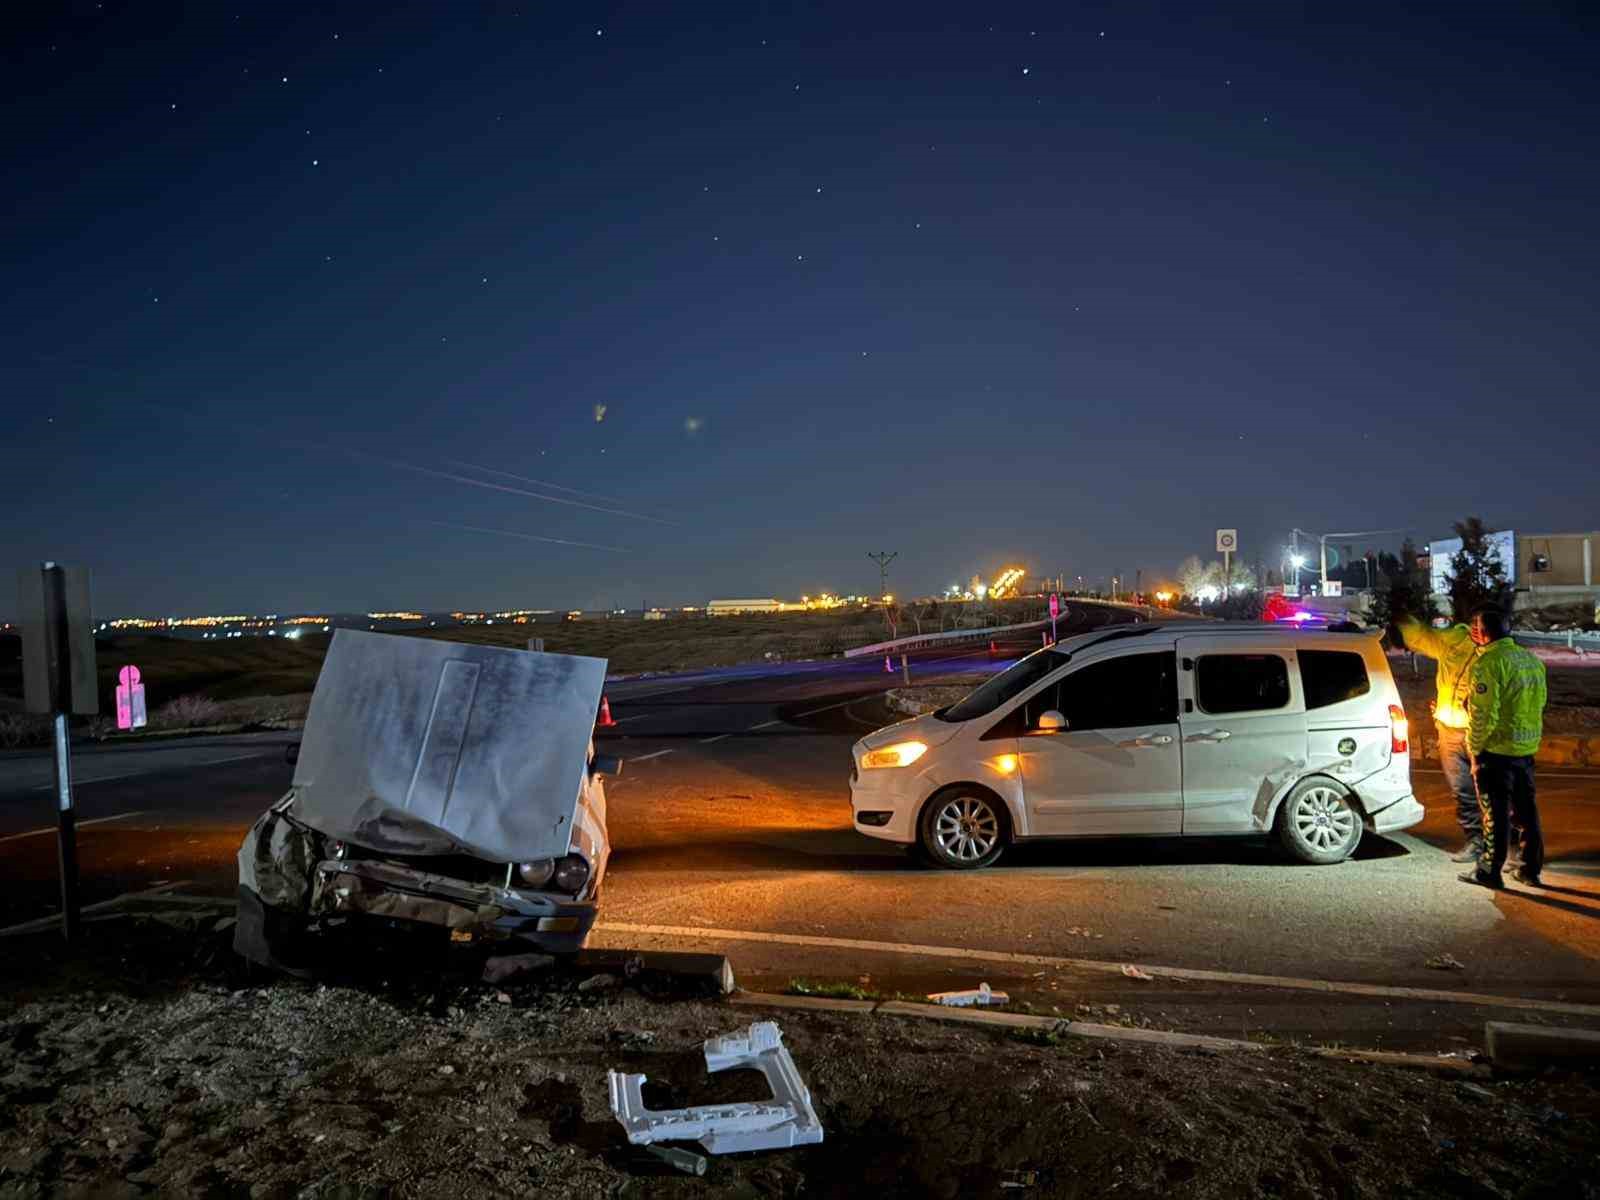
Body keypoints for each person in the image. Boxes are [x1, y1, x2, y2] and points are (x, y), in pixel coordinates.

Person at [1459, 607, 1547, 890]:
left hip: (1496, 753)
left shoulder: (1488, 664)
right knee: (1527, 813)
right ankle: (1529, 870)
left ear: (1483, 632)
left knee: (1494, 815)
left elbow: (1484, 715)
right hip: (1525, 749)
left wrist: (1474, 751)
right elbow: (1539, 702)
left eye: (1475, 626)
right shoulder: (1530, 659)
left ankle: (1489, 871)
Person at [1396, 612, 1482, 861]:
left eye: (1482, 625)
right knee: (1462, 791)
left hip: (1482, 733)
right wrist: (1402, 616)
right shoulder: (1454, 642)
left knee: (1492, 792)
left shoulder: (1497, 656)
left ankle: (1503, 845)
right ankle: (1476, 841)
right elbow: (1422, 638)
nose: (1477, 630)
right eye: (1474, 624)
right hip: (1450, 731)